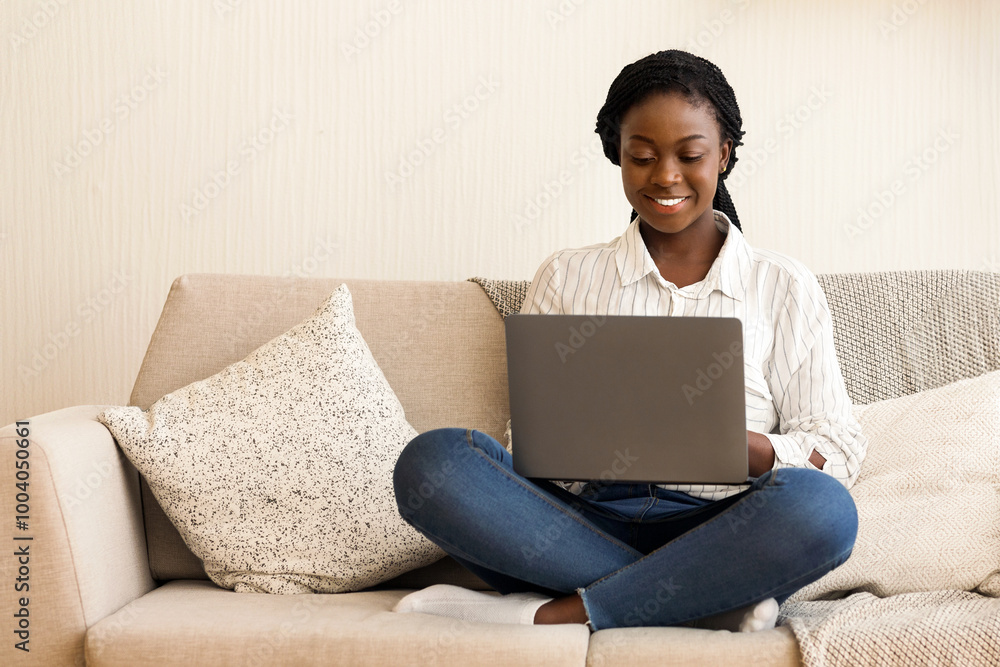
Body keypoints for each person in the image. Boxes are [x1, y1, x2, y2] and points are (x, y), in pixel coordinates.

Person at [391, 49, 866, 632]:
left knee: (823, 510)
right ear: (618, 153)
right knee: (432, 463)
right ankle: (709, 600)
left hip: (723, 526)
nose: (665, 176)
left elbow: (837, 449)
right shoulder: (566, 276)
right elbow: (527, 444)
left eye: (689, 155)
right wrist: (589, 442)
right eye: (642, 156)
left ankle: (561, 612)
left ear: (724, 155)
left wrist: (732, 445)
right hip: (583, 523)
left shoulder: (782, 285)